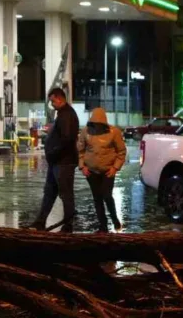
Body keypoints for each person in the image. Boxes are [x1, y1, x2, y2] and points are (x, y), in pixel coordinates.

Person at [30, 87, 80, 232]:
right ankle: (40, 221)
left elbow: (67, 139)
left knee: (66, 194)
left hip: (63, 162)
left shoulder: (67, 115)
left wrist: (53, 152)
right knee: (50, 192)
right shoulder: (63, 114)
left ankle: (68, 225)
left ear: (59, 98)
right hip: (57, 162)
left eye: (52, 101)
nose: (51, 104)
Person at [78, 108, 126, 233]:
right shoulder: (85, 132)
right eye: (95, 123)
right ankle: (103, 226)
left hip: (107, 171)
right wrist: (82, 166)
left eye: (100, 124)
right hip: (91, 171)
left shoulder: (114, 132)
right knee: (97, 198)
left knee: (107, 196)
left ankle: (114, 218)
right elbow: (80, 150)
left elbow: (121, 152)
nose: (97, 126)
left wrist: (115, 167)